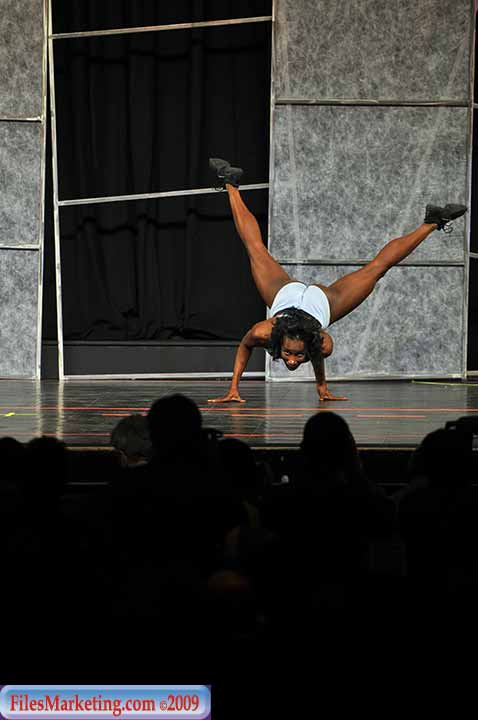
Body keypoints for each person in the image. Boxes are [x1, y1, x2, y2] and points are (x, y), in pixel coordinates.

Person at [207, 157, 467, 403]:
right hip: (313, 300)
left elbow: (313, 351)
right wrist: (233, 388)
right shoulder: (267, 333)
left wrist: (320, 383)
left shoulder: (302, 340)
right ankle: (230, 182)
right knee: (255, 248)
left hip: (299, 297)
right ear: (280, 341)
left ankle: (432, 222)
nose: (293, 361)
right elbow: (246, 346)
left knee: (377, 268)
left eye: (296, 354)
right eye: (290, 353)